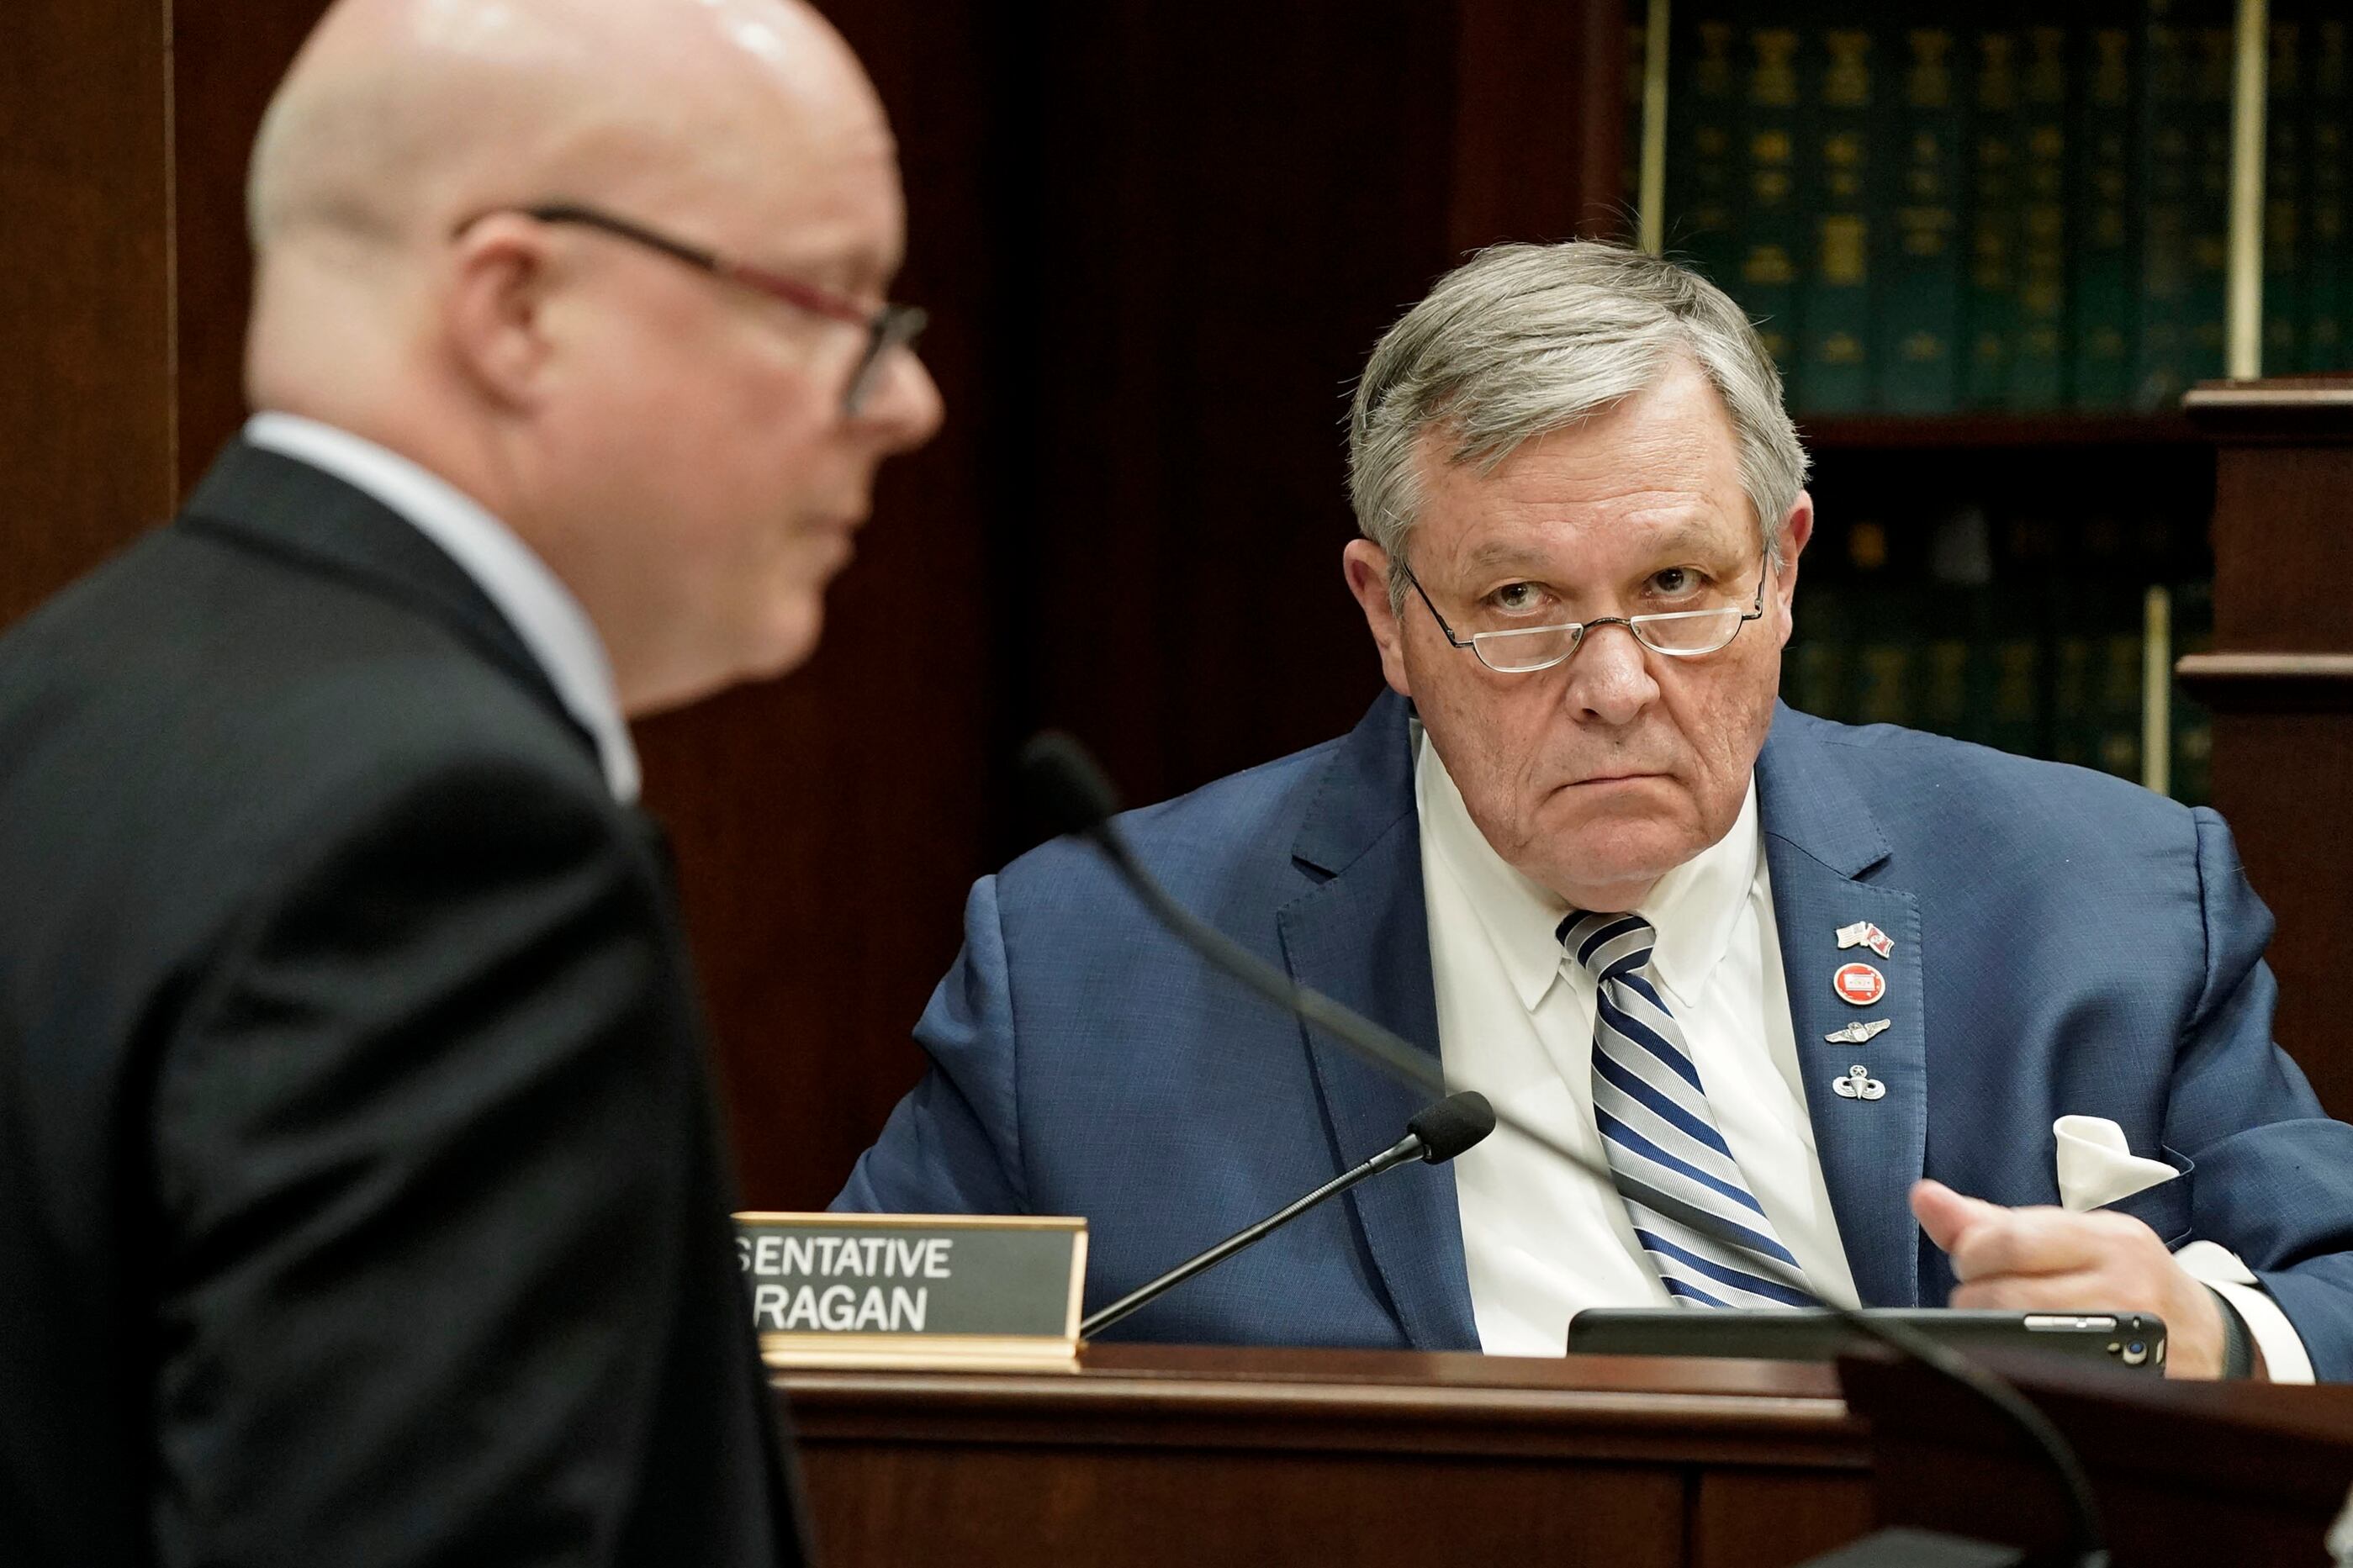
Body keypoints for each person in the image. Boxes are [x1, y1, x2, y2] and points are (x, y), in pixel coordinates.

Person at [838, 241, 2353, 1383]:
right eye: (1517, 601)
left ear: (1783, 568)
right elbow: (841, 1360)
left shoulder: (2099, 894)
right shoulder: (1095, 963)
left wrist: (2211, 1328)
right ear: (1385, 611)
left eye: (1677, 588)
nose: (1615, 681)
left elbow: (2335, 1279)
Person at [0, 0, 940, 1561]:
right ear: (516, 307)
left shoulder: (58, 706)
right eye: (826, 300)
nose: (904, 399)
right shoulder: (449, 840)